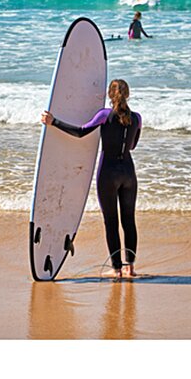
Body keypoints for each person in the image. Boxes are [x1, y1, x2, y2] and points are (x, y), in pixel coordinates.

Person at [40, 79, 142, 278]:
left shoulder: (104, 115)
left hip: (108, 173)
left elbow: (80, 132)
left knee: (111, 222)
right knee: (128, 220)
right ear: (128, 94)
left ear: (109, 95)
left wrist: (54, 122)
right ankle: (131, 268)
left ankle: (117, 269)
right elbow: (132, 146)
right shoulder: (137, 118)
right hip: (129, 173)